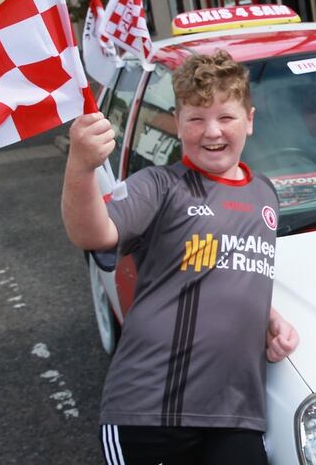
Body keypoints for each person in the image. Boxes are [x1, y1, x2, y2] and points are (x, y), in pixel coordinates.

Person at [61, 50, 299, 465]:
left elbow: (229, 270)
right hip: (151, 410)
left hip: (235, 413)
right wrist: (80, 167)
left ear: (250, 120)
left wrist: (265, 315)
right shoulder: (159, 185)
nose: (212, 132)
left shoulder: (265, 193)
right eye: (195, 119)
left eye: (226, 117)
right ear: (177, 123)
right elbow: (91, 233)